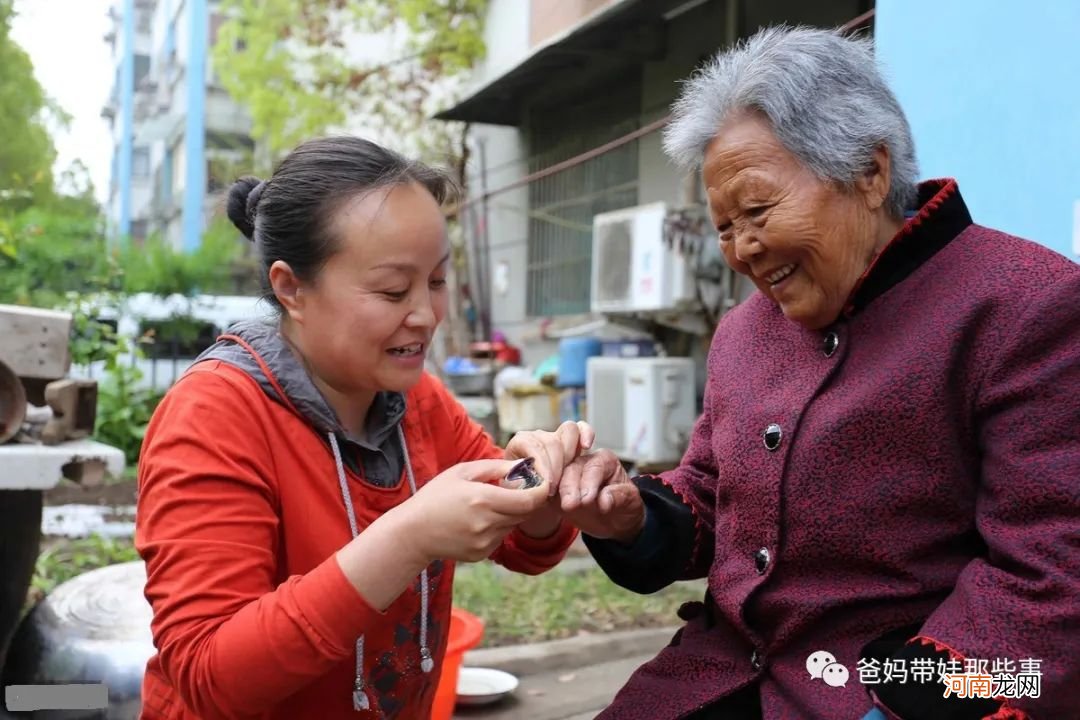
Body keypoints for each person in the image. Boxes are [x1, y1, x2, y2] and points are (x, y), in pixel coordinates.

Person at [558, 25, 1080, 720]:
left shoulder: (1026, 304)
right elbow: (715, 493)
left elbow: (1049, 584)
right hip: (718, 680)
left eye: (759, 210)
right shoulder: (745, 331)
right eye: (722, 226)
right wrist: (630, 516)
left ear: (870, 170)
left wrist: (901, 707)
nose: (742, 249)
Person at [133, 136, 590, 719]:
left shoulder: (415, 400)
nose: (424, 315)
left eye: (437, 281)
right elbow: (209, 675)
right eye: (393, 290)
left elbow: (524, 547)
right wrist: (410, 537)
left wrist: (545, 485)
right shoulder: (213, 418)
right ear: (291, 288)